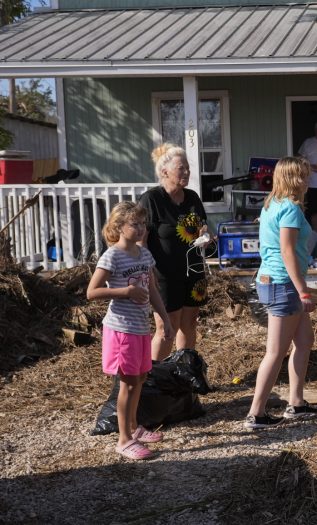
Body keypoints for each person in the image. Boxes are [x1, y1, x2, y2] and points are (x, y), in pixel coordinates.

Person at [87, 201, 174, 460]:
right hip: (121, 329)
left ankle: (134, 428)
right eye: (134, 223)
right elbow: (92, 292)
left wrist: (165, 320)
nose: (141, 228)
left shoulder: (144, 255)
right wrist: (125, 291)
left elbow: (153, 291)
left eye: (142, 223)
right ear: (119, 228)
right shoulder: (112, 255)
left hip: (140, 328)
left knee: (142, 378)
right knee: (127, 383)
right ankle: (123, 440)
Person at [246, 156, 317, 428]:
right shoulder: (290, 208)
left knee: (304, 341)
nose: (308, 180)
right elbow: (287, 251)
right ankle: (256, 414)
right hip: (283, 284)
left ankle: (296, 403)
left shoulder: (272, 204)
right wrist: (303, 292)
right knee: (275, 351)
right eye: (303, 176)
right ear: (292, 179)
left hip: (275, 282)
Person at [138, 143, 213, 361]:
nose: (187, 172)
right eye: (181, 168)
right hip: (163, 275)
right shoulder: (151, 199)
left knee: (190, 322)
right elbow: (142, 238)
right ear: (165, 172)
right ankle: (153, 379)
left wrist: (206, 236)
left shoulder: (192, 197)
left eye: (187, 168)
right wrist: (148, 271)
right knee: (166, 328)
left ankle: (184, 374)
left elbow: (203, 226)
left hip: (193, 271)